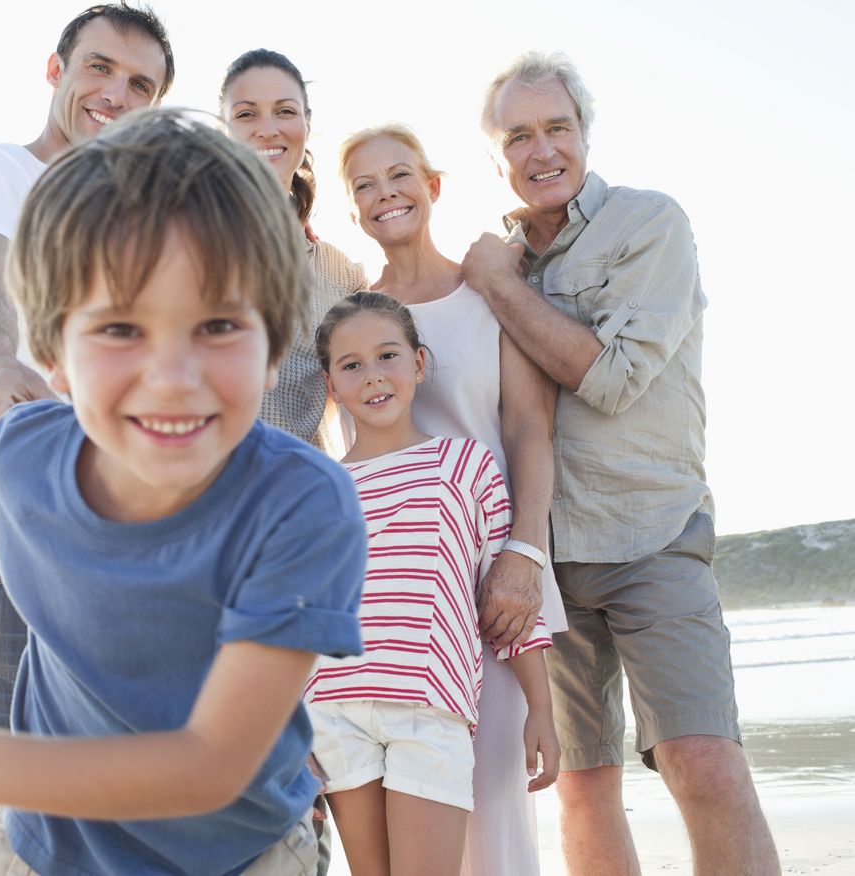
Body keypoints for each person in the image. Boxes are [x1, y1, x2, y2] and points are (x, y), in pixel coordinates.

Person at [0, 109, 367, 876]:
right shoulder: (21, 457)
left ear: (276, 345)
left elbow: (208, 767)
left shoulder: (302, 506)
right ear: (51, 352)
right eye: (119, 329)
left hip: (237, 855)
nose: (172, 378)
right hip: (45, 848)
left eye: (217, 324)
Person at [461, 51, 779, 875]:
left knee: (702, 761)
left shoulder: (649, 225)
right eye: (518, 135)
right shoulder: (494, 259)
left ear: (584, 135)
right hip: (547, 564)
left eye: (557, 128)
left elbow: (610, 376)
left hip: (653, 534)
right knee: (581, 782)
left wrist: (500, 288)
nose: (541, 151)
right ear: (495, 157)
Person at [0, 4, 173, 865]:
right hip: (12, 526)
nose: (115, 93)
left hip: (137, 542)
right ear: (55, 69)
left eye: (139, 84)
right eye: (99, 68)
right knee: (3, 774)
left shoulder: (154, 225)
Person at [338, 124, 564, 874]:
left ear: (432, 185)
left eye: (399, 175)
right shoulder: (358, 320)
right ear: (352, 209)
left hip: (497, 577)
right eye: (364, 185)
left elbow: (530, 430)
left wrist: (523, 556)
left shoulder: (486, 290)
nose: (385, 195)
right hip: (401, 609)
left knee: (494, 813)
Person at [305, 292, 558, 876]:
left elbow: (512, 601)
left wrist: (540, 709)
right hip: (335, 711)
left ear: (418, 364)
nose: (373, 377)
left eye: (387, 356)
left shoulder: (465, 465)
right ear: (331, 385)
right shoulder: (318, 490)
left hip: (429, 707)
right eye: (351, 365)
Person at [219, 49, 368, 449]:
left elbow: (365, 400)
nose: (267, 129)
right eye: (247, 114)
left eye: (284, 111)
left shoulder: (341, 273)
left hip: (297, 494)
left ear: (306, 123)